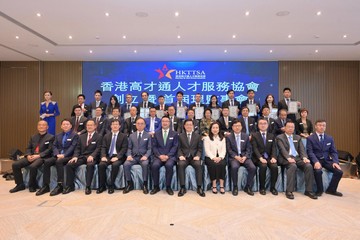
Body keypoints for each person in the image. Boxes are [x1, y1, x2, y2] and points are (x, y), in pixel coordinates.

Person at [36, 119, 79, 196]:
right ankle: (46, 186)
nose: (65, 125)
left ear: (71, 126)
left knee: (59, 162)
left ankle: (60, 185)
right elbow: (54, 146)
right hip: (58, 155)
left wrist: (64, 155)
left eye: (67, 124)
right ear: (61, 126)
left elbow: (73, 147)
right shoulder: (58, 135)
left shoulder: (74, 135)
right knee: (47, 162)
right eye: (64, 124)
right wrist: (57, 154)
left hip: (68, 156)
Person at [10, 120, 54, 193]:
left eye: (43, 125)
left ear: (47, 127)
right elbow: (28, 148)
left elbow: (49, 150)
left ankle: (32, 185)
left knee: (33, 166)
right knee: (15, 164)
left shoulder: (51, 137)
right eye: (39, 125)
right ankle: (20, 184)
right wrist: (28, 155)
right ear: (37, 127)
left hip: (42, 157)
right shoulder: (33, 137)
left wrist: (38, 156)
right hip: (31, 156)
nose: (41, 126)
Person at [276, 121, 317, 200]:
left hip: (297, 158)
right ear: (284, 128)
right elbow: (282, 150)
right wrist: (288, 158)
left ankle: (308, 190)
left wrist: (305, 157)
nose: (291, 128)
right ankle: (289, 191)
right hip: (285, 158)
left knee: (308, 166)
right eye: (289, 127)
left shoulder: (297, 137)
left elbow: (301, 149)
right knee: (292, 166)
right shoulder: (280, 137)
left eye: (292, 127)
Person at [63, 119, 102, 195]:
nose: (89, 126)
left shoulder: (99, 136)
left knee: (90, 165)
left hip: (93, 157)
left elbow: (98, 148)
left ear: (95, 126)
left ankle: (88, 186)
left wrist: (92, 155)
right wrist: (75, 156)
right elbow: (77, 148)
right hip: (82, 156)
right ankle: (70, 186)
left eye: (91, 125)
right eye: (88, 125)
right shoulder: (81, 136)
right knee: (69, 165)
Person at [307, 120, 343, 197]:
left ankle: (331, 190)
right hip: (316, 160)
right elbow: (310, 152)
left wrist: (335, 162)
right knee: (318, 172)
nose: (322, 127)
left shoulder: (329, 138)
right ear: (316, 126)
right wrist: (316, 161)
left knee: (339, 172)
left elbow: (333, 152)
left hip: (326, 160)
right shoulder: (310, 138)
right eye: (320, 125)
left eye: (324, 125)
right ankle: (319, 190)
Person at [98, 119, 128, 194]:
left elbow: (124, 149)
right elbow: (103, 147)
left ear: (119, 126)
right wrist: (103, 156)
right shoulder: (106, 136)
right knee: (101, 165)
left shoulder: (123, 136)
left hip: (118, 157)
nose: (115, 126)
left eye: (117, 124)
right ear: (111, 126)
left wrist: (117, 157)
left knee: (115, 165)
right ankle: (102, 186)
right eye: (113, 124)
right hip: (108, 156)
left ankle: (111, 185)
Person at [150, 116, 179, 195]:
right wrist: (159, 156)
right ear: (161, 123)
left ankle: (168, 187)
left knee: (169, 165)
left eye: (167, 121)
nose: (165, 123)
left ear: (169, 123)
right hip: (158, 156)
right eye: (163, 121)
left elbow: (175, 146)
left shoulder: (174, 133)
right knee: (154, 165)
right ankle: (156, 186)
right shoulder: (156, 134)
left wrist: (168, 156)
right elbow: (154, 147)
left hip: (170, 157)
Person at [226, 119, 256, 196]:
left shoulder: (245, 136)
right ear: (232, 127)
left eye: (239, 126)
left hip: (244, 157)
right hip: (234, 157)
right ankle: (235, 186)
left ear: (241, 127)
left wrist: (245, 156)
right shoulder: (229, 137)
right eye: (235, 126)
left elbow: (249, 148)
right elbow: (229, 150)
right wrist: (236, 157)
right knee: (234, 167)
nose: (237, 127)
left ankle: (248, 187)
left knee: (252, 168)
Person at [177, 119, 205, 197]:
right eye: (187, 125)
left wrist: (198, 156)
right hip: (184, 157)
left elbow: (200, 148)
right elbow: (178, 148)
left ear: (193, 126)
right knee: (180, 165)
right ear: (184, 126)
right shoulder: (180, 136)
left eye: (190, 125)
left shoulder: (197, 136)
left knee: (198, 165)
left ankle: (199, 187)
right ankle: (182, 187)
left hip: (194, 157)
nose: (189, 126)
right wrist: (180, 155)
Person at [123, 118, 152, 194]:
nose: (140, 125)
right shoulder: (132, 135)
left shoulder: (148, 135)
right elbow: (129, 148)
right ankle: (129, 184)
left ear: (145, 125)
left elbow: (150, 148)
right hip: (134, 156)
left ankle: (145, 184)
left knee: (145, 164)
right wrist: (129, 155)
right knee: (126, 164)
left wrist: (146, 156)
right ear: (135, 125)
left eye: (142, 123)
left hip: (143, 156)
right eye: (138, 123)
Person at [251, 118, 278, 195]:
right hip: (258, 158)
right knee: (263, 166)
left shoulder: (271, 135)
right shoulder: (254, 135)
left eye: (264, 123)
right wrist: (260, 158)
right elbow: (255, 148)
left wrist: (273, 157)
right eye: (261, 123)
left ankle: (273, 187)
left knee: (274, 166)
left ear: (267, 125)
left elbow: (274, 148)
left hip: (269, 157)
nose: (263, 125)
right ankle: (262, 187)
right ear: (258, 125)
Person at [204, 122, 227, 194]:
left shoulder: (222, 138)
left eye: (217, 128)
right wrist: (213, 158)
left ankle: (221, 185)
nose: (215, 129)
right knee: (213, 165)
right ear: (211, 129)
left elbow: (224, 150)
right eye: (213, 128)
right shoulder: (207, 138)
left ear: (219, 129)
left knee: (222, 164)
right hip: (210, 158)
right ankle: (213, 185)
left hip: (220, 157)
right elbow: (207, 150)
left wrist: (220, 157)